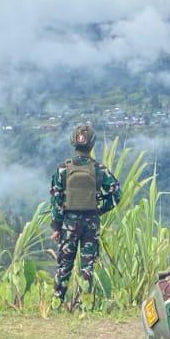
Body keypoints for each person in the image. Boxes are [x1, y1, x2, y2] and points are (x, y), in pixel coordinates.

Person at [50, 122, 122, 308]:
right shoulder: (99, 169)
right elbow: (116, 193)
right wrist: (100, 208)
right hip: (91, 222)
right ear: (92, 144)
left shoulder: (63, 169)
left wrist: (56, 226)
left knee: (64, 265)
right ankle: (83, 305)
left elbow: (56, 200)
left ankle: (57, 302)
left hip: (69, 223)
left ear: (73, 142)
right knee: (87, 266)